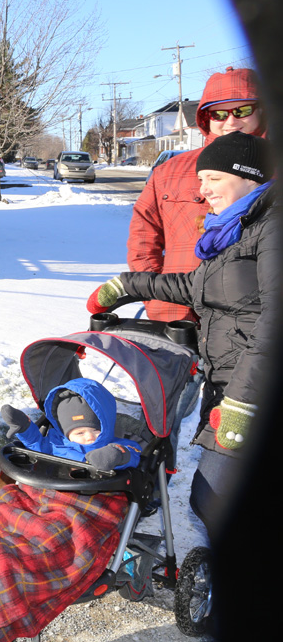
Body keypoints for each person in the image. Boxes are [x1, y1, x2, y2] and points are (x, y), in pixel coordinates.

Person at [89, 131, 276, 543]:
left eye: (212, 178)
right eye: (200, 179)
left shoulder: (270, 230)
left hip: (253, 392)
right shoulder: (233, 233)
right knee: (209, 501)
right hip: (228, 385)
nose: (202, 189)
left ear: (247, 176)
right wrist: (128, 285)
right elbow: (194, 286)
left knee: (216, 500)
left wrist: (243, 402)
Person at [128, 67, 265, 322]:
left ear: (261, 111)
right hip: (178, 316)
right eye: (219, 113)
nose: (231, 122)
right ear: (206, 118)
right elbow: (143, 237)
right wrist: (155, 293)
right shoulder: (169, 171)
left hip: (253, 323)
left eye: (242, 111)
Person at [0, 378, 141, 471]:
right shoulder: (57, 443)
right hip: (54, 489)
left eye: (96, 430)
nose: (89, 437)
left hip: (96, 495)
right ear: (65, 432)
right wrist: (24, 427)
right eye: (80, 433)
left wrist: (117, 455)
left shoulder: (113, 445)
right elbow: (36, 444)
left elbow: (134, 454)